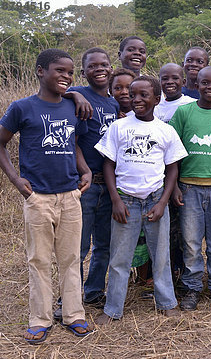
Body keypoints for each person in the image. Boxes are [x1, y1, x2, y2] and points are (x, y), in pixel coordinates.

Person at [0, 49, 94, 343]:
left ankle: (74, 315)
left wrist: (85, 171)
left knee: (71, 258)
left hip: (71, 195)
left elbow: (72, 144)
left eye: (70, 73)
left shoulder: (73, 107)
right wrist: (15, 178)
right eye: (59, 71)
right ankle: (40, 319)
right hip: (38, 197)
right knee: (38, 259)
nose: (66, 77)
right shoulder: (22, 108)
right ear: (40, 71)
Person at [94, 75, 187, 324]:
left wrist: (162, 203)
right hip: (126, 201)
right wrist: (115, 199)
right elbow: (109, 164)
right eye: (133, 94)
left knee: (161, 255)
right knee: (120, 258)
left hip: (155, 199)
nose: (136, 99)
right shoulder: (118, 127)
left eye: (143, 95)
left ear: (157, 99)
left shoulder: (165, 131)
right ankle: (112, 309)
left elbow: (172, 170)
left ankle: (167, 302)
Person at [170, 66, 211, 311]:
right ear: (196, 85)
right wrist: (175, 185)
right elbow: (174, 154)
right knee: (190, 242)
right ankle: (192, 287)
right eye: (205, 83)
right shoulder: (184, 112)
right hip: (189, 187)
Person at [69, 48, 118, 308]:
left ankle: (94, 291)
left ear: (111, 68)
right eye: (92, 66)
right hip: (85, 184)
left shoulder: (114, 102)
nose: (99, 69)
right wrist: (75, 93)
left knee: (104, 245)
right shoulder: (78, 96)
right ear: (84, 71)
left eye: (104, 64)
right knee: (78, 247)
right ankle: (68, 297)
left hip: (109, 185)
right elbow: (74, 140)